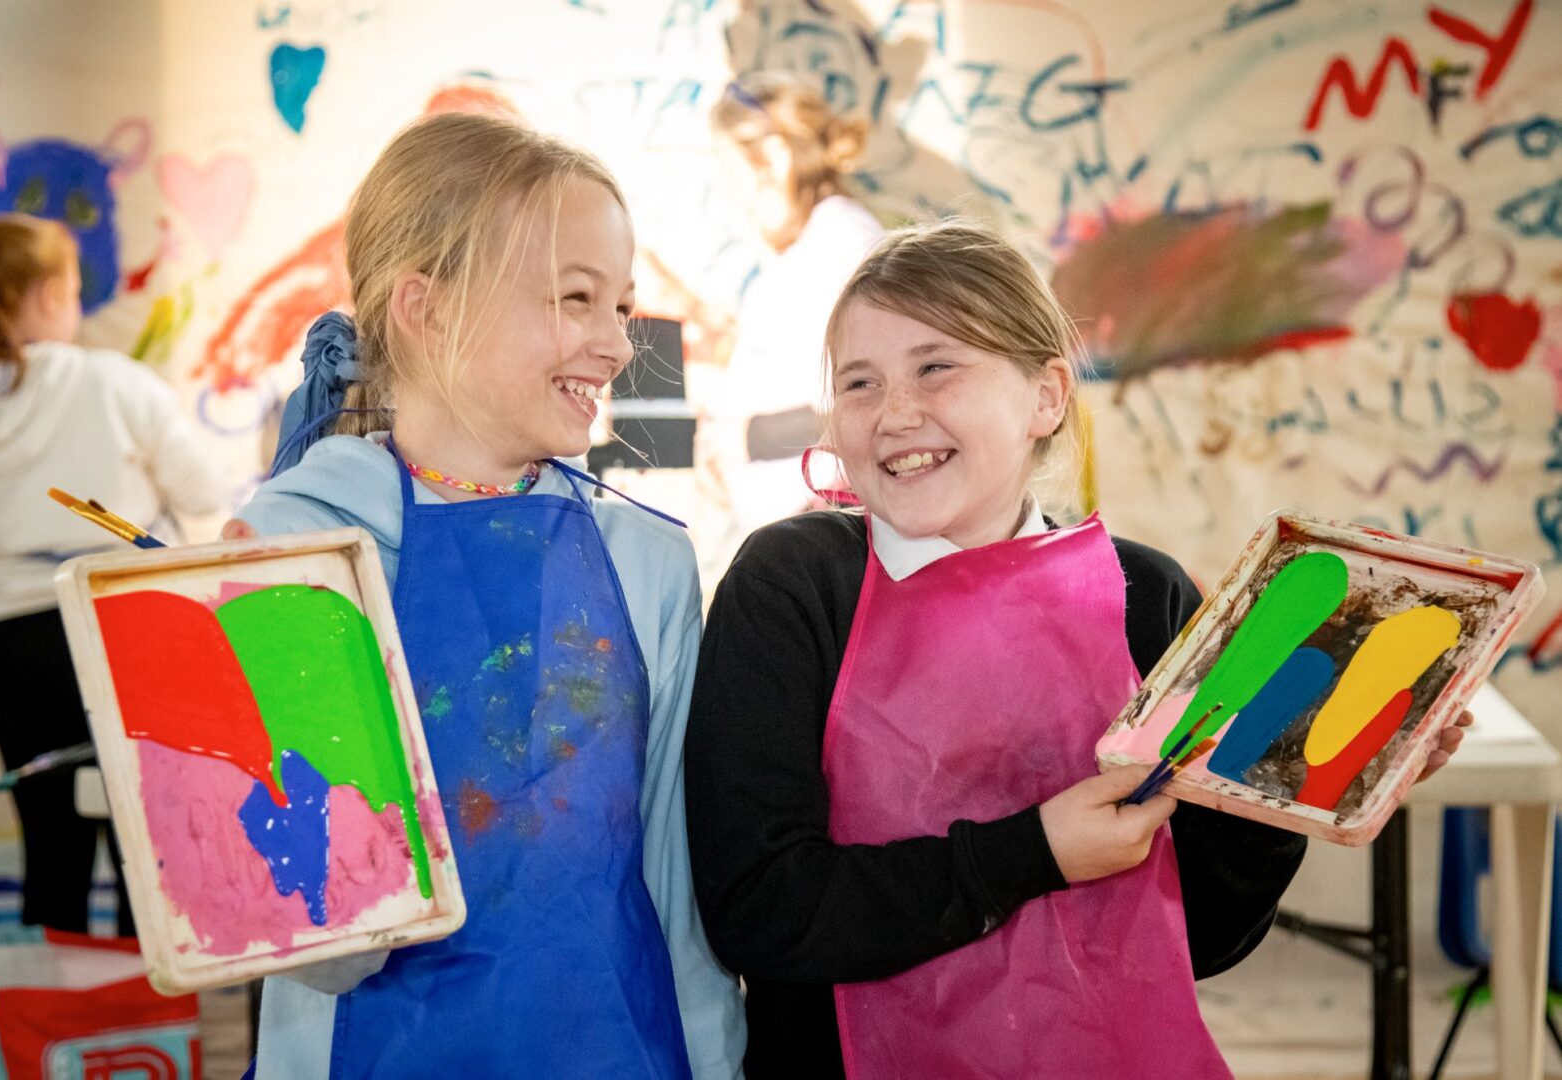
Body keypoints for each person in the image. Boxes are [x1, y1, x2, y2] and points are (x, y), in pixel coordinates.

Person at [683, 220, 1473, 1078]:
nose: (894, 413)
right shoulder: (793, 585)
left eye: (935, 366)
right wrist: (1034, 853)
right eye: (858, 382)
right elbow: (759, 910)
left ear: (1046, 397)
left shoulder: (1147, 597)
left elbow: (1200, 939)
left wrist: (1286, 792)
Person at [228, 113, 745, 1079]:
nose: (617, 345)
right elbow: (320, 939)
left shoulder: (649, 559)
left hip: (623, 1050)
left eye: (621, 308)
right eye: (575, 298)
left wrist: (715, 1063)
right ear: (425, 308)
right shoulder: (298, 548)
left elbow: (674, 886)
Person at [0, 213, 225, 937]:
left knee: (51, 845)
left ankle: (57, 1037)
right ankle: (151, 1031)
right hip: (124, 628)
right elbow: (203, 495)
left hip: (12, 647)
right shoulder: (112, 382)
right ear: (44, 296)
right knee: (146, 843)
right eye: (73, 293)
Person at [701, 71, 884, 546]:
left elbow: (873, 400)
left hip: (828, 540)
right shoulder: (813, 245)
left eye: (730, 171)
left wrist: (744, 440)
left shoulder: (842, 243)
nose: (730, 196)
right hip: (802, 541)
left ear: (775, 158)